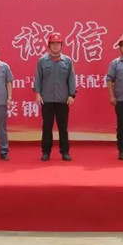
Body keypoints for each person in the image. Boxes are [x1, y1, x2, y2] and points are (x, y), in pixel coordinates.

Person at [34, 32, 76, 161]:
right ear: (49, 45)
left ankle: (65, 151)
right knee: (47, 127)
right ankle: (46, 152)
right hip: (46, 99)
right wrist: (37, 93)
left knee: (63, 127)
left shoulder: (67, 61)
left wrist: (71, 95)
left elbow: (71, 79)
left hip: (63, 99)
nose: (55, 46)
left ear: (61, 45)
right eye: (53, 43)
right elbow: (38, 78)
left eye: (58, 43)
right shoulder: (42, 61)